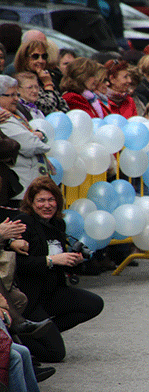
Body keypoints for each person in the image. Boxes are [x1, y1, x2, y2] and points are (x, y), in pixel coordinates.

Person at [12, 176, 104, 362]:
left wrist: (73, 261)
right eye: (41, 200)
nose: (47, 205)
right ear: (31, 202)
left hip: (54, 291)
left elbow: (60, 260)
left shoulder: (57, 224)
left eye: (51, 200)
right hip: (31, 297)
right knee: (56, 354)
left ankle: (45, 332)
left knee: (94, 304)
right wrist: (51, 260)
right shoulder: (24, 223)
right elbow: (18, 264)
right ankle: (23, 338)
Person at [0, 76, 50, 205]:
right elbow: (30, 145)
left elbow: (36, 137)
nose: (16, 98)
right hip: (21, 191)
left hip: (31, 188)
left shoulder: (18, 113)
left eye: (16, 94)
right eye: (11, 95)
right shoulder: (3, 118)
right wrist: (40, 140)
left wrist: (40, 136)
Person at [12, 40, 68, 115]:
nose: (41, 61)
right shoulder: (20, 80)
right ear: (25, 59)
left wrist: (59, 112)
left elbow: (65, 106)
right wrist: (48, 84)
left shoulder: (45, 77)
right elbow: (47, 108)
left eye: (44, 56)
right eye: (35, 56)